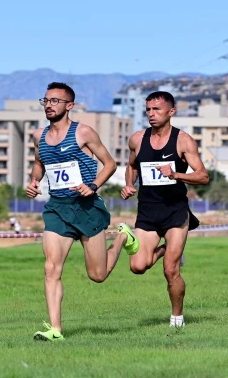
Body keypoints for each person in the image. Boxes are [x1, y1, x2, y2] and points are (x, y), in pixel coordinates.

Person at [26, 82, 134, 342]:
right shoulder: (37, 136)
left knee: (97, 275)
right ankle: (56, 330)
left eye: (55, 101)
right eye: (46, 101)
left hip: (87, 208)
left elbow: (110, 164)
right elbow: (40, 163)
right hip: (57, 209)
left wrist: (93, 185)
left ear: (69, 106)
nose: (49, 105)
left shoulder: (83, 133)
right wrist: (34, 181)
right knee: (51, 268)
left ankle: (122, 237)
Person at [119, 91, 209, 327]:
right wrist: (129, 184)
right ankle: (170, 248)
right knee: (138, 266)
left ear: (171, 112)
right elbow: (131, 166)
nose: (151, 114)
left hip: (175, 212)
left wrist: (176, 174)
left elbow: (202, 176)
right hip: (147, 212)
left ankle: (177, 318)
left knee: (171, 271)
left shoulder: (183, 140)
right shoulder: (137, 139)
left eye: (156, 109)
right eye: (148, 109)